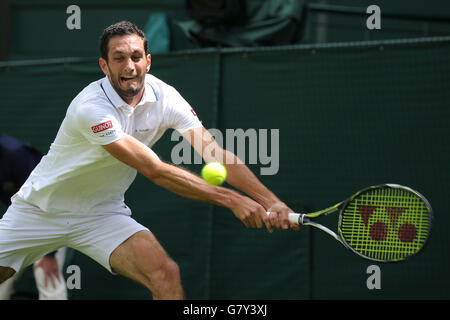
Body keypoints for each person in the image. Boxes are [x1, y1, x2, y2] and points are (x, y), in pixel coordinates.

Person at [0, 21, 299, 300]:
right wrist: (233, 200)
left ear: (148, 60)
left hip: (102, 214)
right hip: (40, 211)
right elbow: (154, 170)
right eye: (119, 58)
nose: (129, 66)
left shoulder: (166, 96)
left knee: (165, 273)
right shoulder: (90, 107)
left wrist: (270, 201)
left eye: (136, 56)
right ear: (104, 65)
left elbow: (215, 153)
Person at [0, 134, 67, 300]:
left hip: (53, 218)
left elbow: (48, 199)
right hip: (19, 220)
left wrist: (49, 254)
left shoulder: (16, 154)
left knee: (47, 275)